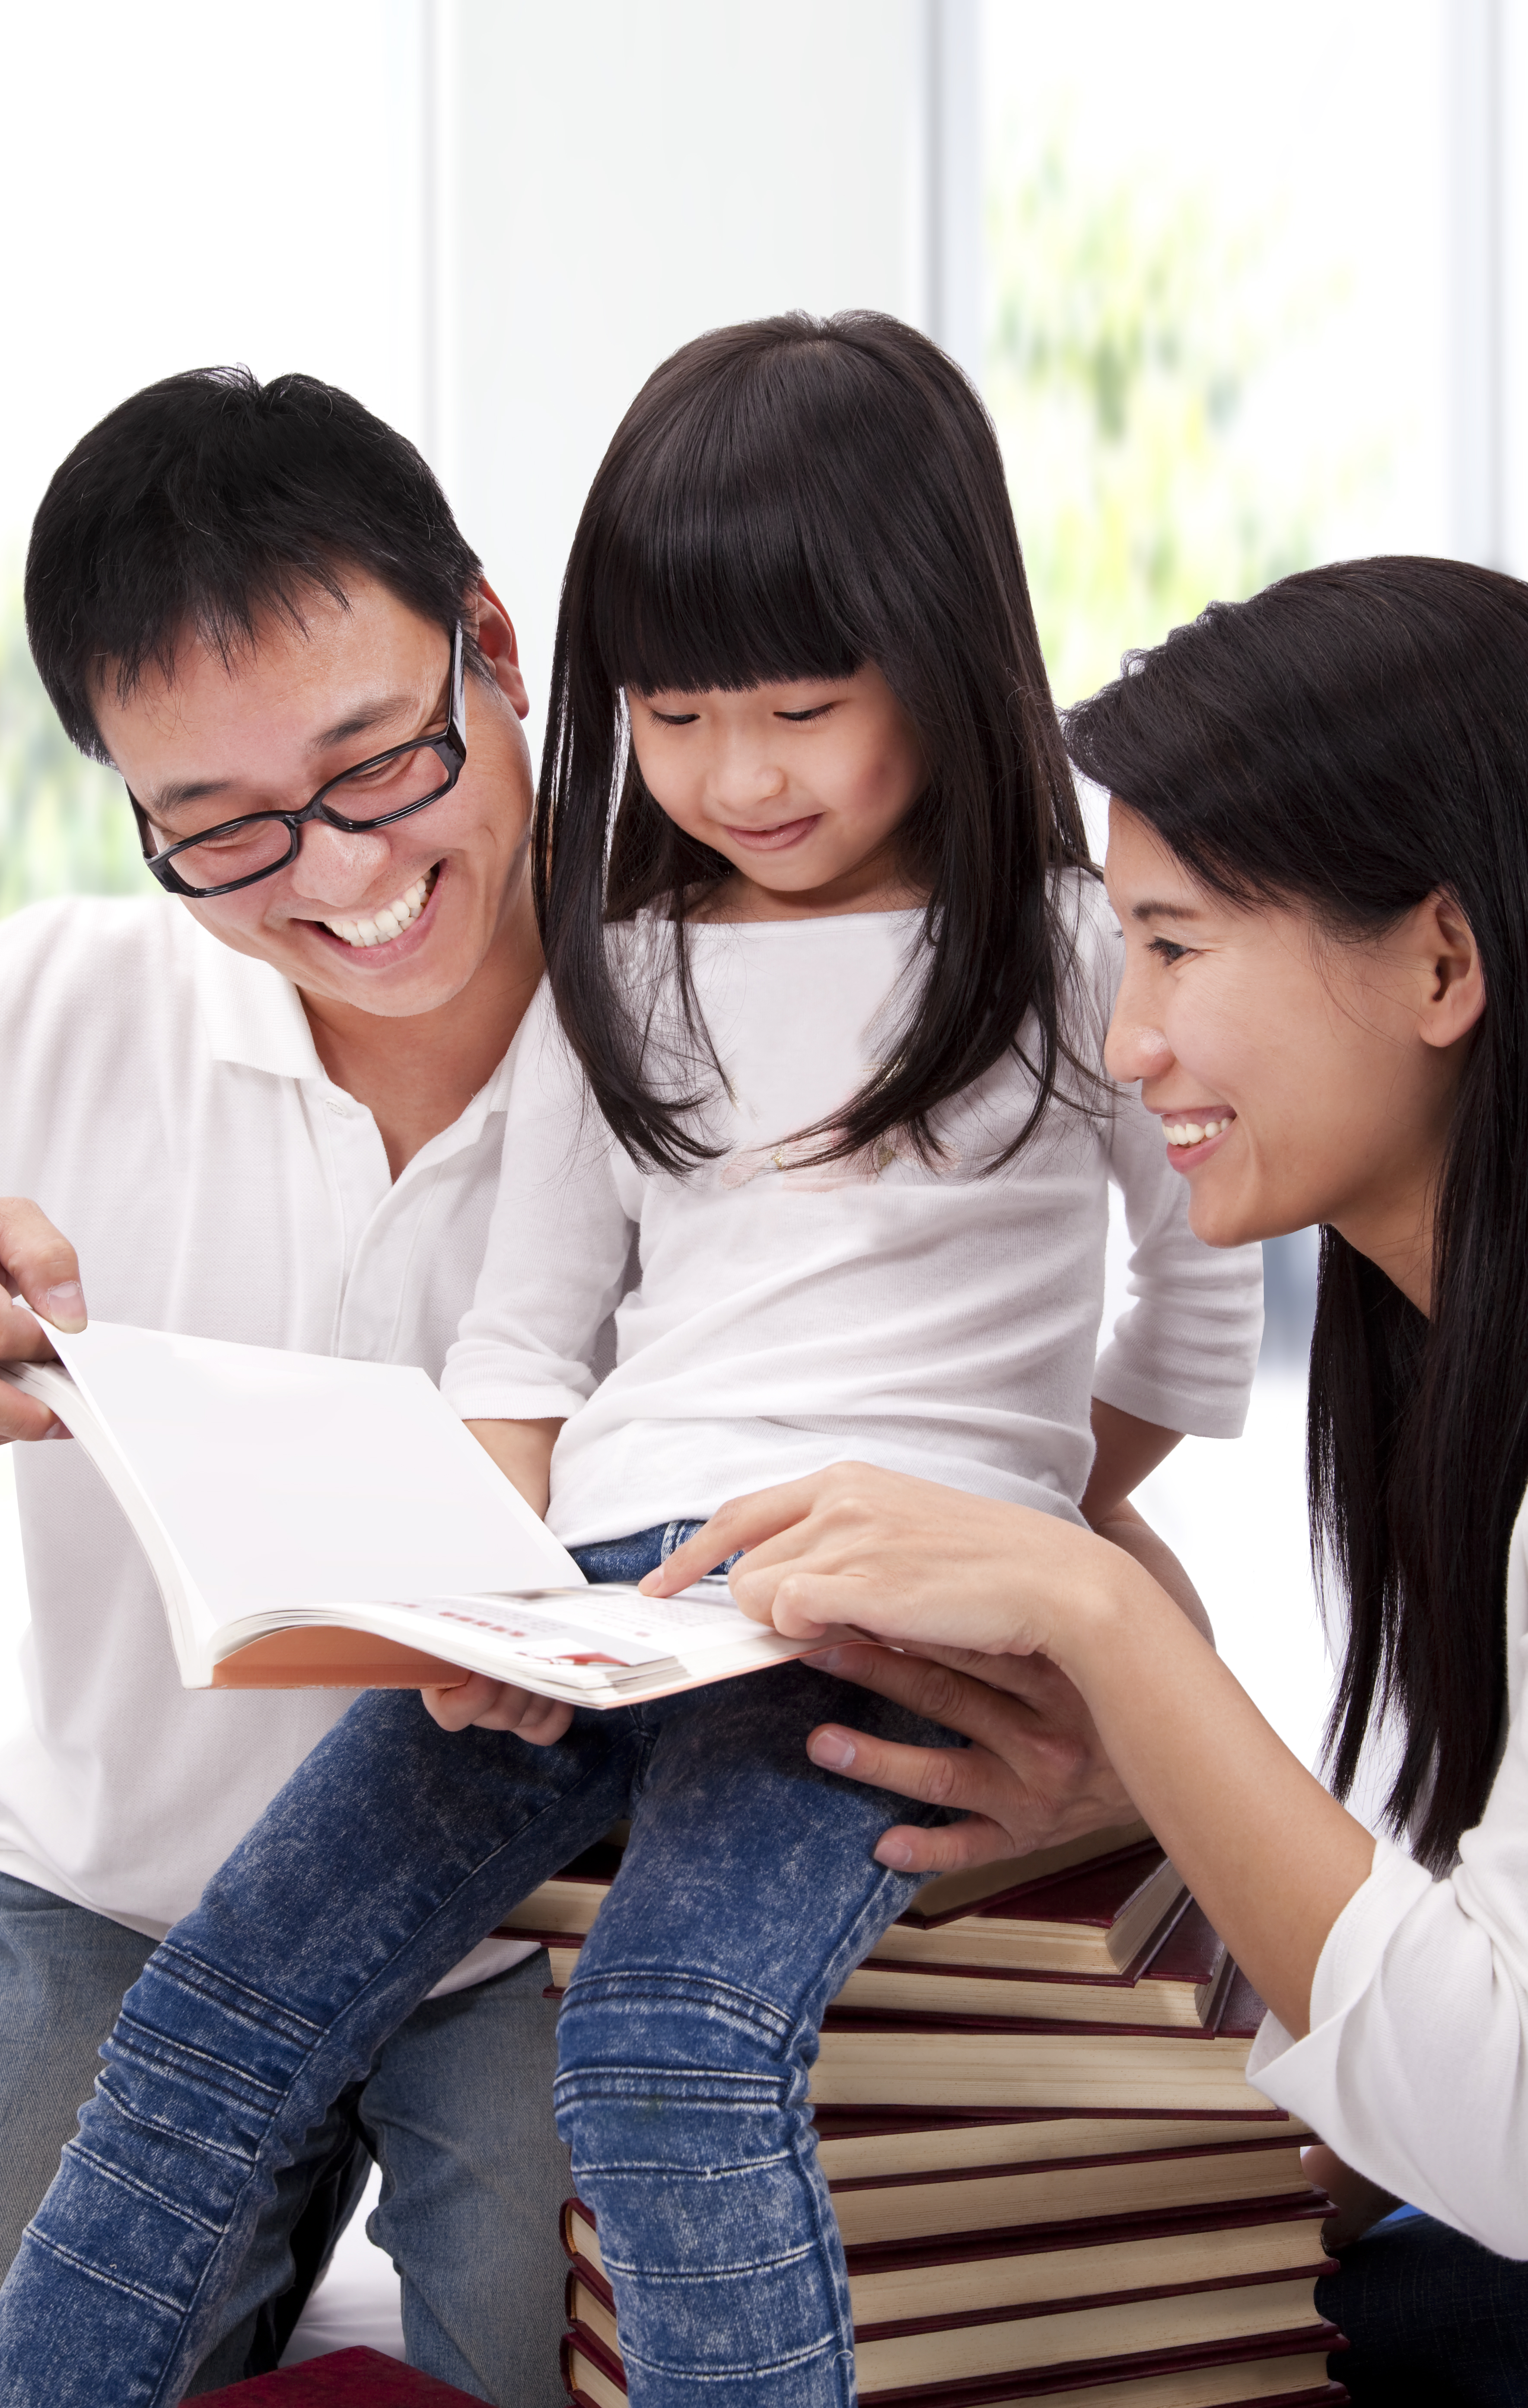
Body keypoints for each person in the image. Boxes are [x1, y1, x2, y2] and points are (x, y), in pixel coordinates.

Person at [0, 312, 1261, 2408]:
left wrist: (1031, 1526)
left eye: (803, 710)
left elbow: (1197, 1308)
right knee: (211, 2010)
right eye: (674, 711)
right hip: (590, 1593)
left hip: (865, 1604)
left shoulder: (1082, 945)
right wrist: (479, 1589)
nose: (738, 774)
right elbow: (532, 1327)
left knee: (671, 2040)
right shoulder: (621, 961)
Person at [651, 555, 1528, 2405]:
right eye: (1126, 946)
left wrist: (1100, 1609)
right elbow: (1456, 1940)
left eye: (1183, 944)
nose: (1130, 1044)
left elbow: (1511, 2112)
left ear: (1444, 960)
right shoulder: (1440, 1363)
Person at [0, 367, 578, 2408]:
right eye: (219, 830)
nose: (337, 874)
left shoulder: (705, 1036)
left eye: (378, 763)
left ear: (491, 642)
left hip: (549, 1925)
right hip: (125, 1900)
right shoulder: (37, 1008)